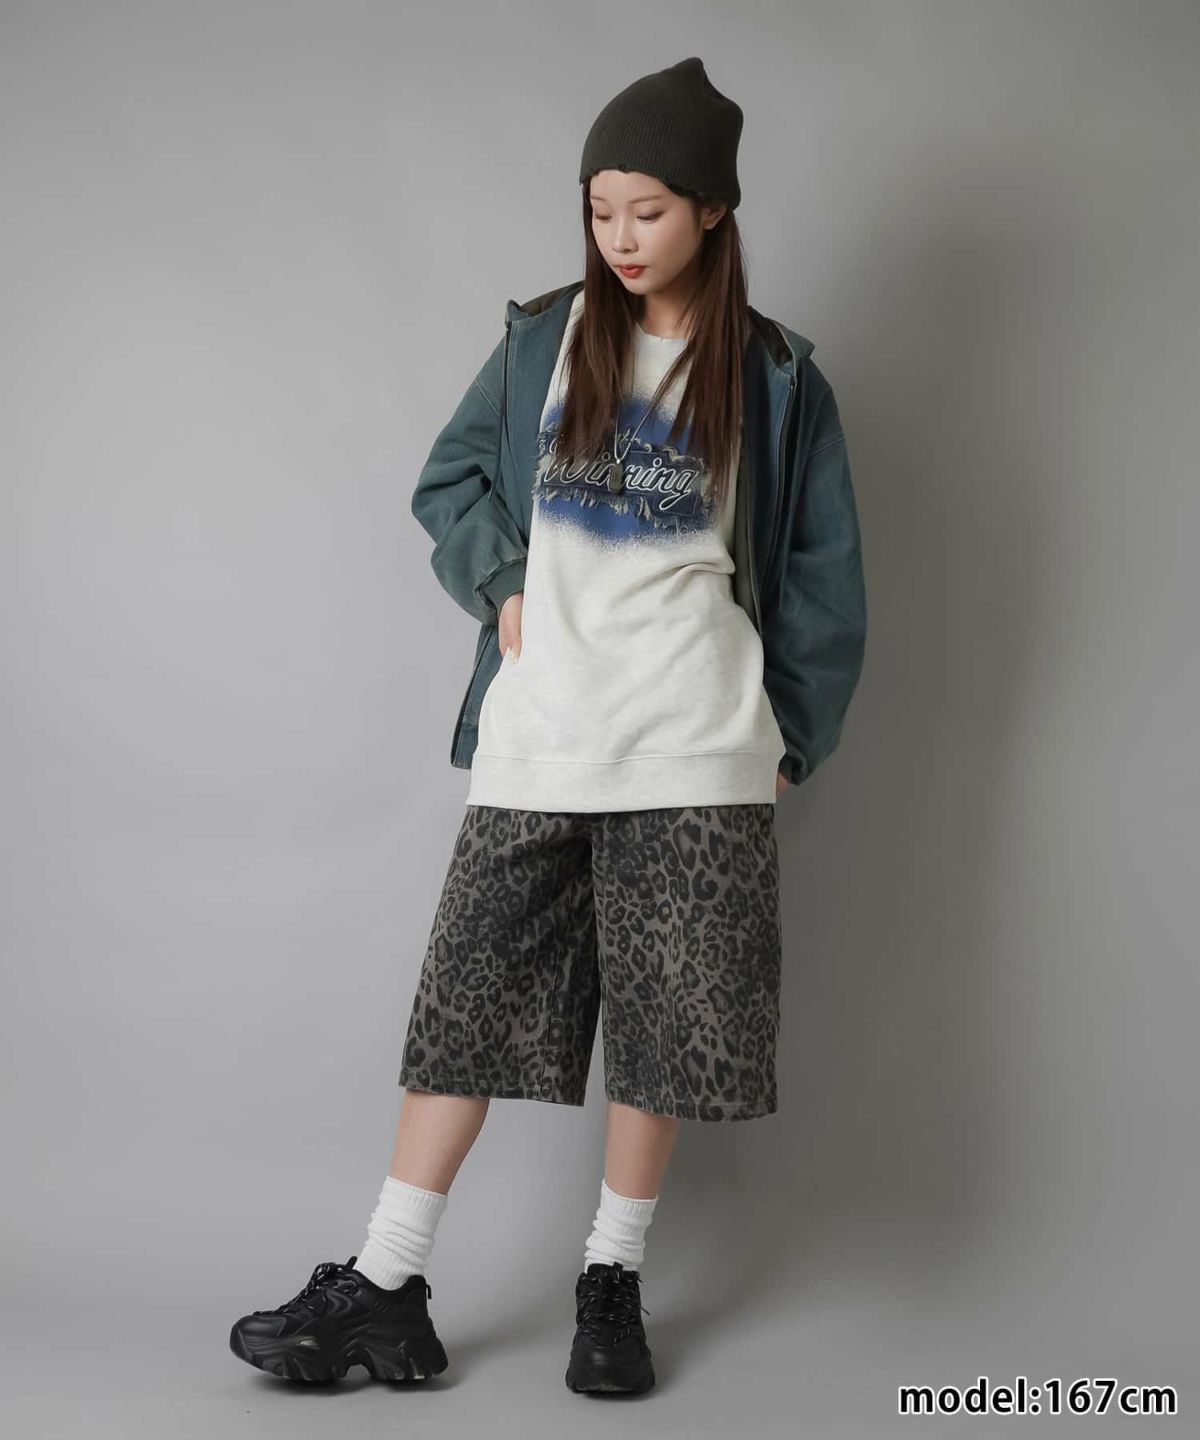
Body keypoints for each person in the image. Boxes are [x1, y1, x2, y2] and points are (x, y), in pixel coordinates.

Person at [228, 55, 867, 1397]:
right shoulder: (544, 340)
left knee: (667, 1033)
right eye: (600, 209)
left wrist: (788, 735)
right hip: (543, 737)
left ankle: (611, 1286)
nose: (620, 236)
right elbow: (450, 478)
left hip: (696, 745)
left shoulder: (774, 374)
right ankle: (388, 1284)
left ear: (710, 207)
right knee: (463, 1012)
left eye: (647, 209)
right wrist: (505, 584)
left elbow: (822, 576)